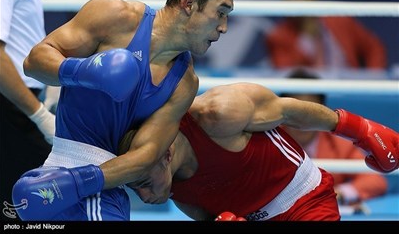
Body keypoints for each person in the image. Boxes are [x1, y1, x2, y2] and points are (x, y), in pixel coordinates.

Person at [13, 0, 235, 221]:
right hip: (55, 171)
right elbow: (33, 61)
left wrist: (78, 182)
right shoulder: (115, 16)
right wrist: (86, 71)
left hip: (99, 188)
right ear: (189, 4)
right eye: (220, 12)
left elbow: (145, 156)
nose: (223, 27)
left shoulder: (184, 83)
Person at [126, 82, 398, 221]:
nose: (144, 195)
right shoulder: (161, 177)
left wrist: (358, 127)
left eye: (145, 184)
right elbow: (206, 213)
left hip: (302, 201)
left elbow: (289, 111)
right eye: (135, 188)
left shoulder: (217, 113)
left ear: (167, 156)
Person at [280, 68, 388, 206]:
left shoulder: (339, 142)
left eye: (309, 112)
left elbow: (375, 180)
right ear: (282, 112)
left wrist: (339, 195)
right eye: (296, 112)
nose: (303, 120)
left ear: (322, 112)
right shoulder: (268, 140)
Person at [0, 0, 55, 221]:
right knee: (24, 210)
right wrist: (40, 116)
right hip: (10, 106)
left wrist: (51, 82)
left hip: (18, 103)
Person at [264, 0, 387, 70]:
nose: (304, 8)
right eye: (297, 3)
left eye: (307, 0)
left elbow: (374, 47)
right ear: (287, 7)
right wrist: (306, 39)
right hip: (309, 94)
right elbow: (286, 71)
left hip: (349, 85)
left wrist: (373, 75)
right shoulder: (278, 36)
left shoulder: (340, 21)